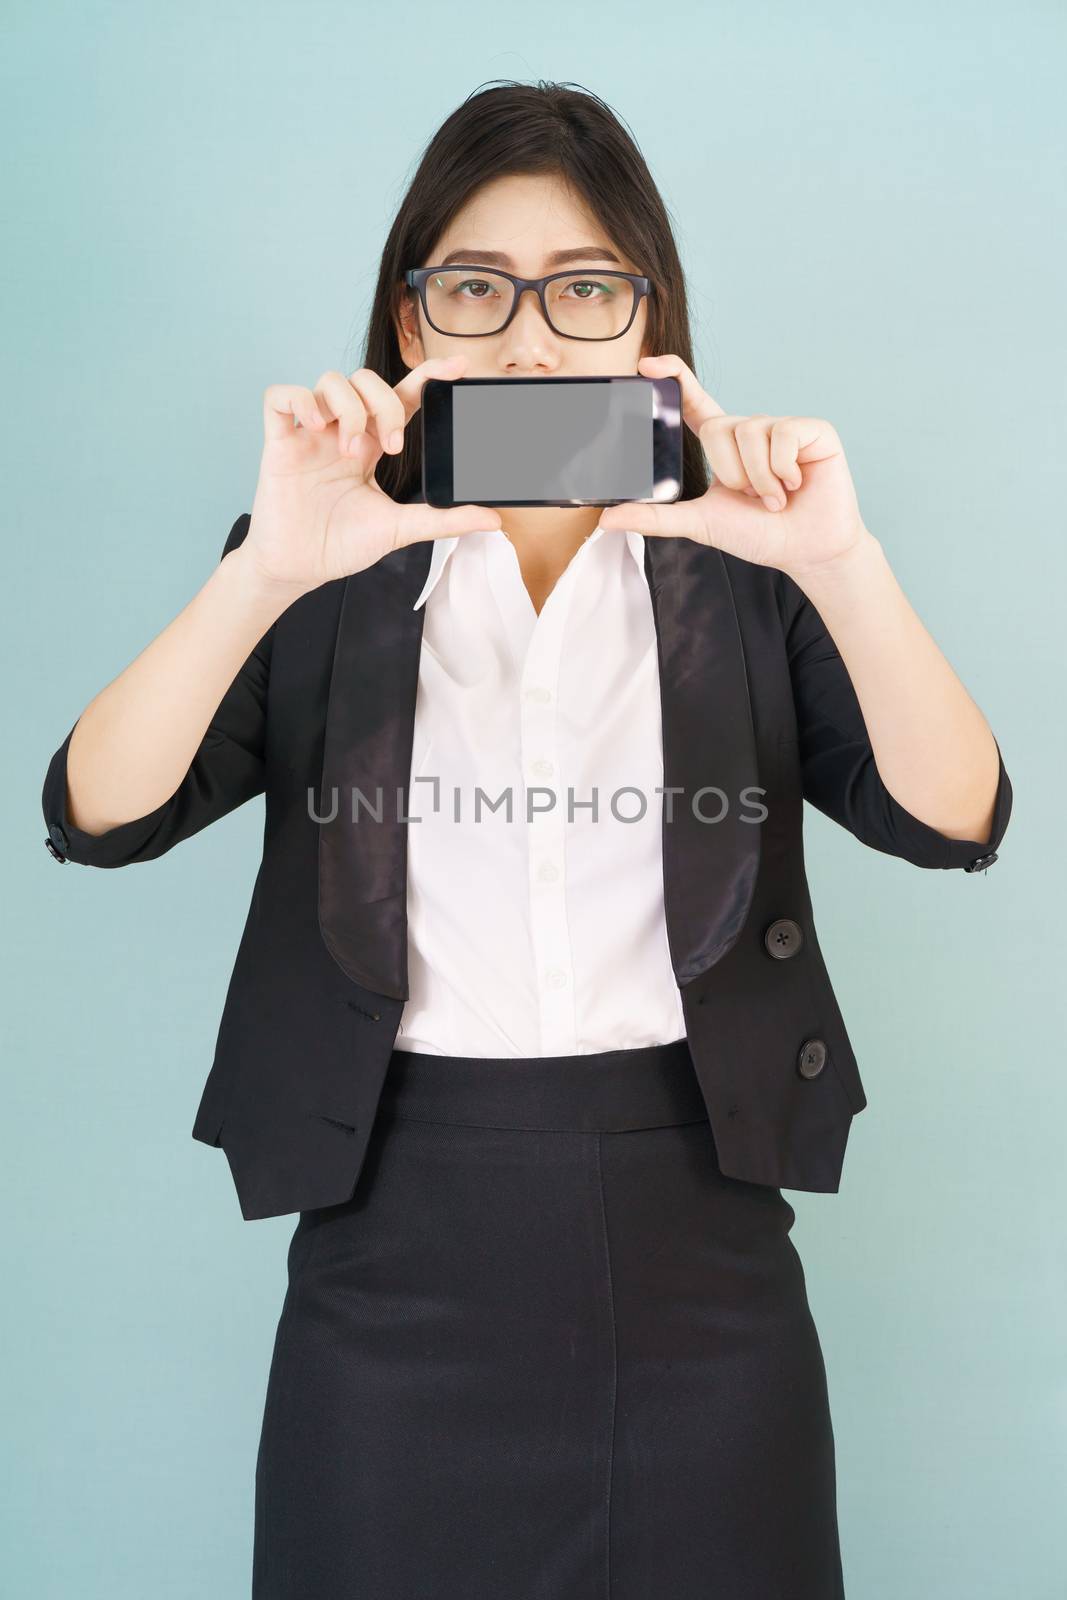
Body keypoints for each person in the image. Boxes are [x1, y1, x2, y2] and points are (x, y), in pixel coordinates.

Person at [41, 80, 1012, 1600]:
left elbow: (958, 818)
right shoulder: (321, 566)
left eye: (584, 290)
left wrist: (845, 562)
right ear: (414, 324)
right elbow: (96, 813)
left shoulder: (754, 572)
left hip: (702, 1246)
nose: (534, 337)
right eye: (479, 289)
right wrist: (266, 572)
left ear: (648, 318)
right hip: (394, 1248)